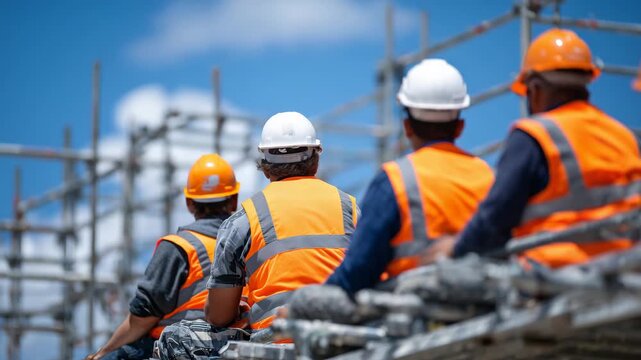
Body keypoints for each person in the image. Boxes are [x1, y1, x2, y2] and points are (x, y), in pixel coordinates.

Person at [426, 29, 641, 268]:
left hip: (554, 278)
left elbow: (495, 219)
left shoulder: (535, 136)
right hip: (625, 271)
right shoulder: (625, 137)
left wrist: (455, 249)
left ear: (535, 89)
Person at [157, 112, 358, 358]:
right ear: (315, 159)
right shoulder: (350, 207)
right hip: (343, 341)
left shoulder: (244, 219)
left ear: (265, 166)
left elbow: (218, 317)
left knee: (174, 337)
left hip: (275, 346)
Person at [325, 59, 495, 294]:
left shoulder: (395, 179)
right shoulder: (487, 174)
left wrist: (314, 301)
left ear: (407, 127)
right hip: (486, 305)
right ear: (460, 127)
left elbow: (358, 270)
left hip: (415, 313)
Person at [86, 154, 240, 360]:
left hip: (172, 349)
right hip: (233, 346)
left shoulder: (179, 247)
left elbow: (141, 319)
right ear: (234, 200)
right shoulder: (247, 244)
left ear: (189, 203)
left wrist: (102, 353)